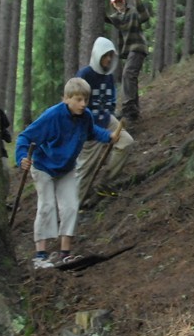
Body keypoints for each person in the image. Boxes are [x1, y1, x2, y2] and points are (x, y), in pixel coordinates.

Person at [15, 77, 118, 269]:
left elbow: (92, 131)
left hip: (67, 167)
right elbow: (25, 136)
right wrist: (21, 157)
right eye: (78, 100)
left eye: (85, 100)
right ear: (67, 99)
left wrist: (109, 136)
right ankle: (40, 256)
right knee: (46, 207)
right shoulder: (52, 116)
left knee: (71, 206)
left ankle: (65, 254)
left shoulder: (85, 116)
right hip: (43, 165)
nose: (83, 104)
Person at [74, 36, 136, 206]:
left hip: (107, 120)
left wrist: (111, 115)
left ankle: (106, 181)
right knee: (85, 169)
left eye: (110, 55)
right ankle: (76, 204)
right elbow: (75, 102)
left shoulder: (108, 76)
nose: (108, 59)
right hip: (89, 126)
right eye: (105, 55)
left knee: (126, 142)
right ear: (97, 55)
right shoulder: (84, 75)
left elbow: (110, 99)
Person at [105, 0, 151, 122]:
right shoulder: (117, 18)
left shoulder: (133, 13)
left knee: (128, 74)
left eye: (120, 1)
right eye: (116, 2)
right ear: (113, 4)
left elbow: (145, 16)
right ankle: (134, 111)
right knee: (131, 77)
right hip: (129, 50)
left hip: (138, 47)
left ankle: (128, 108)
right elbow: (106, 18)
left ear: (124, 0)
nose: (118, 4)